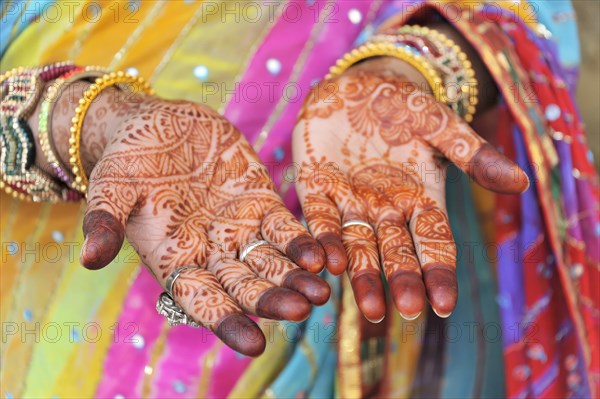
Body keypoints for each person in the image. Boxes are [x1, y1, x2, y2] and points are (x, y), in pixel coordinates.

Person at [1, 1, 598, 398]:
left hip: (320, 271)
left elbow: (522, 14)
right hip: (32, 300)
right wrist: (84, 122)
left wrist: (410, 70)